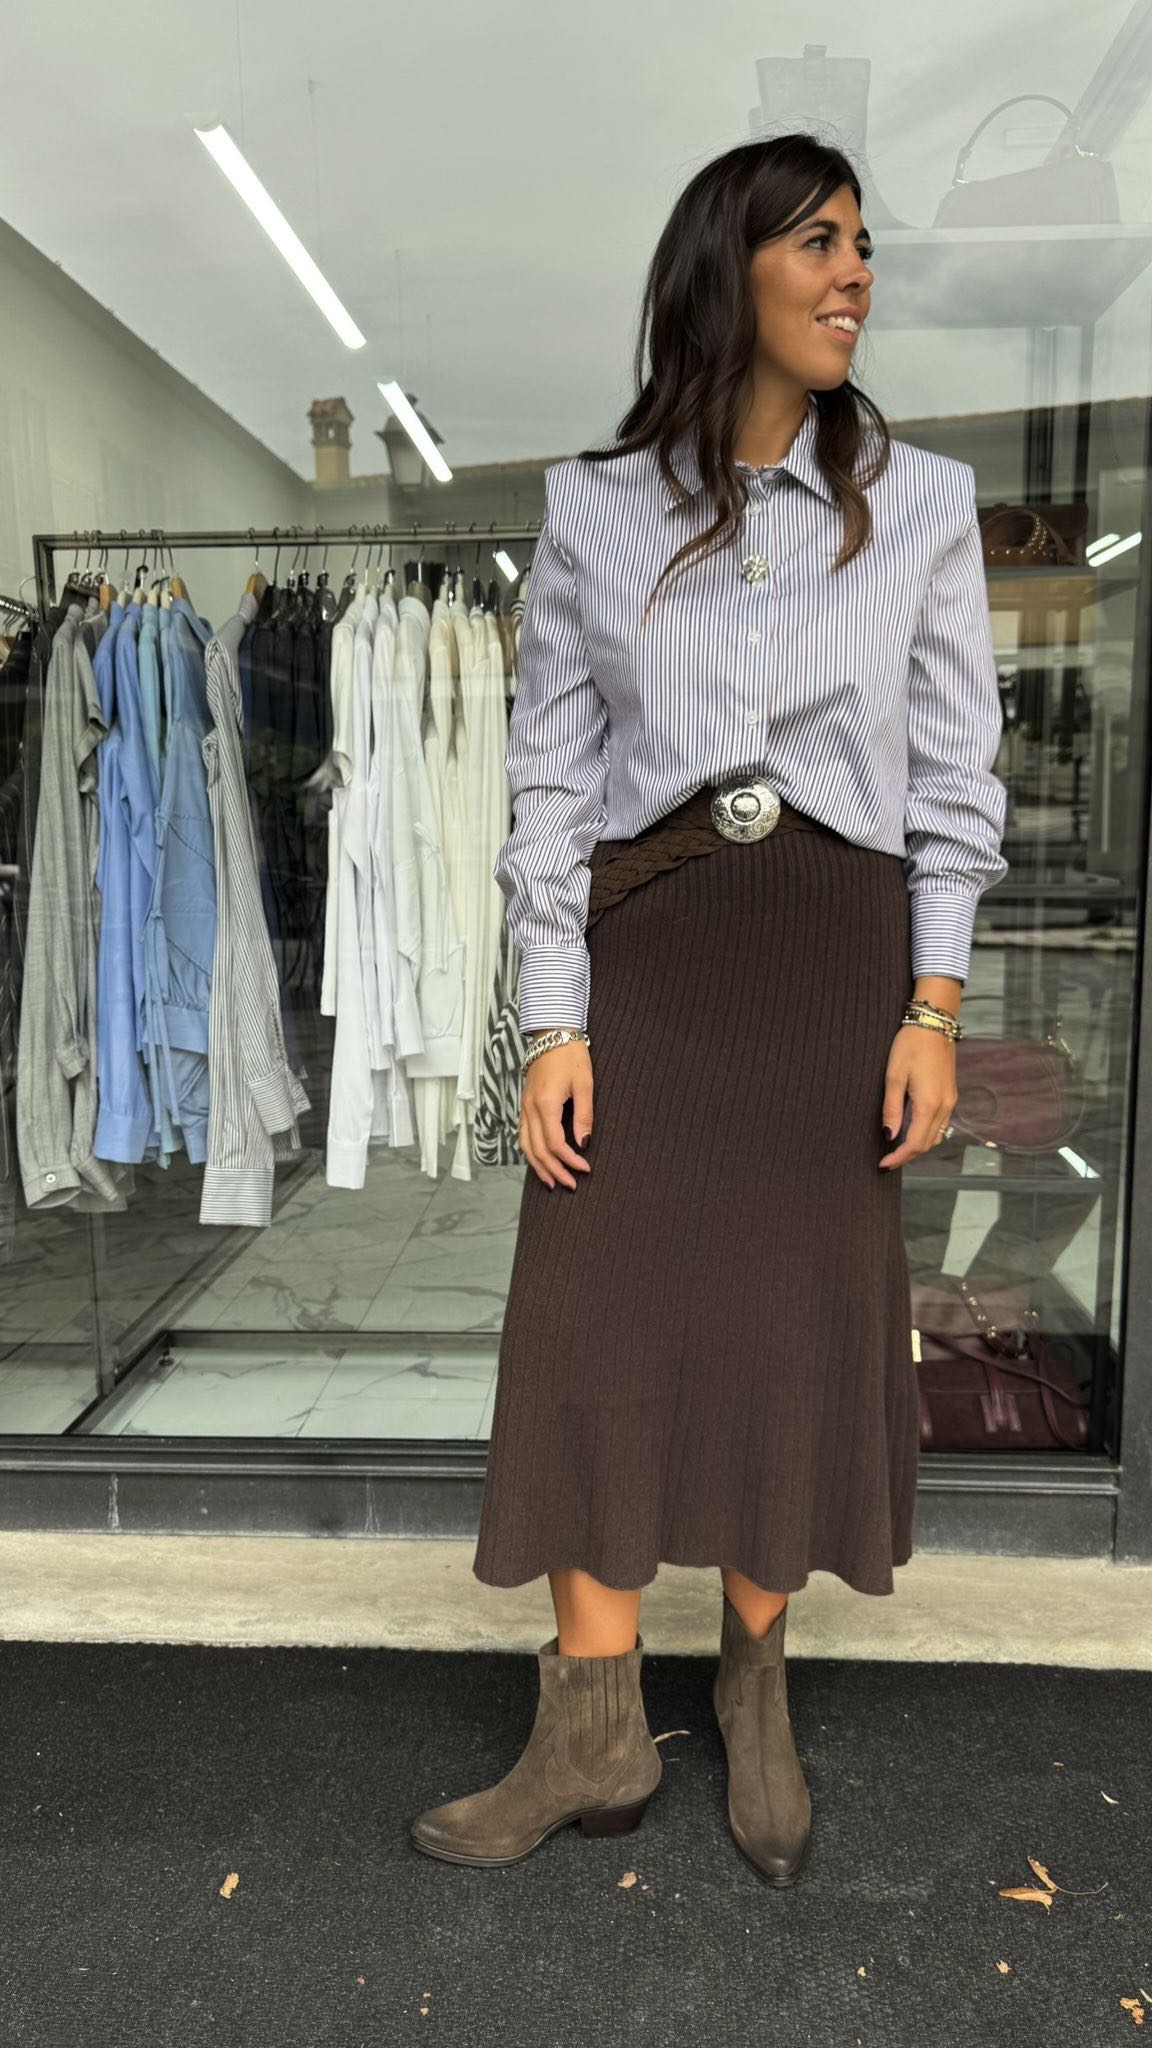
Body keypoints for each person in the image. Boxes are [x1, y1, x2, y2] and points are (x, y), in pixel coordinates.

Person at [410, 133, 1008, 1883]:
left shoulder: (924, 502)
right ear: (723, 268)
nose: (856, 273)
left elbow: (955, 778)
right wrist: (554, 1024)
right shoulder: (595, 508)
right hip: (649, 955)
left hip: (832, 964)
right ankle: (592, 1729)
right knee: (590, 1316)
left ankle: (753, 1681)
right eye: (817, 240)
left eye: (863, 244)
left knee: (787, 1327)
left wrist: (933, 1003)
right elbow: (548, 785)